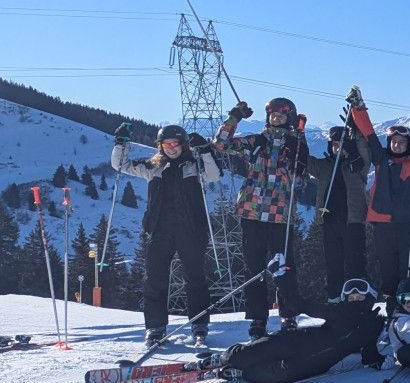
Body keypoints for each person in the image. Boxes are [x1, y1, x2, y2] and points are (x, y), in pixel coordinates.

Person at [111, 123, 223, 347]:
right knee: (155, 279)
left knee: (195, 278)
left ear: (184, 144)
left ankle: (199, 325)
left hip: (191, 229)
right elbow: (121, 165)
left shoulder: (194, 166)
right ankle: (155, 328)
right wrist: (121, 144)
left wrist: (205, 150)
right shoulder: (153, 167)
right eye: (166, 144)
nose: (171, 148)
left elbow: (214, 175)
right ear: (160, 146)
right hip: (160, 230)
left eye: (176, 143)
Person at [214, 96, 309, 338]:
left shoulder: (295, 144)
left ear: (289, 118)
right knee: (253, 267)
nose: (276, 118)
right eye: (273, 115)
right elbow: (221, 144)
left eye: (281, 115)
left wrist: (299, 160)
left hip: (280, 213)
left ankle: (288, 314)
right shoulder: (255, 141)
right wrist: (234, 117)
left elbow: (301, 180)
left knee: (284, 266)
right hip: (252, 211)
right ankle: (258, 318)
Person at [347, 87, 410, 303]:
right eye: (394, 142)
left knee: (409, 269)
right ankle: (391, 308)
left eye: (402, 142)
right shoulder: (381, 159)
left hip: (408, 224)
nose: (397, 145)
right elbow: (369, 134)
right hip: (383, 224)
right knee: (387, 269)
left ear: (408, 145)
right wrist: (358, 108)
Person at [220, 277, 386, 383]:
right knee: (251, 353)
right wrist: (287, 289)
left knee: (280, 375)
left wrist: (386, 361)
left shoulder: (372, 324)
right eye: (351, 298)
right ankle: (222, 358)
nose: (355, 302)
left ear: (370, 299)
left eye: (360, 298)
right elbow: (310, 306)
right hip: (298, 341)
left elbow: (369, 356)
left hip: (314, 363)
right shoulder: (338, 311)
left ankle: (242, 373)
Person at [304, 124, 370, 302]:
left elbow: (365, 151)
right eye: (334, 145)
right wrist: (299, 135)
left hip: (353, 222)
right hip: (329, 223)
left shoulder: (358, 166)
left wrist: (356, 132)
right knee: (333, 265)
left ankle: (358, 300)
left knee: (356, 264)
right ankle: (334, 300)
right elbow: (304, 160)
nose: (338, 149)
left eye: (342, 145)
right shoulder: (324, 166)